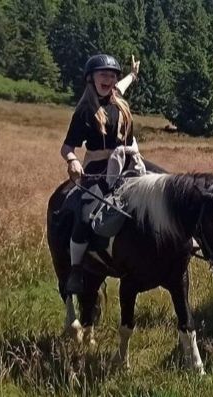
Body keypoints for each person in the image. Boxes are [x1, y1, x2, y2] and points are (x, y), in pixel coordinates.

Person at [60, 54, 143, 293]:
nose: (108, 80)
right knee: (84, 215)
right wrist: (73, 160)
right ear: (91, 79)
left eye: (112, 75)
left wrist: (133, 74)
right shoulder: (85, 111)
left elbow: (122, 85)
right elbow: (67, 147)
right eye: (103, 75)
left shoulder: (118, 101)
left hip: (128, 166)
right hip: (98, 173)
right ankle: (76, 269)